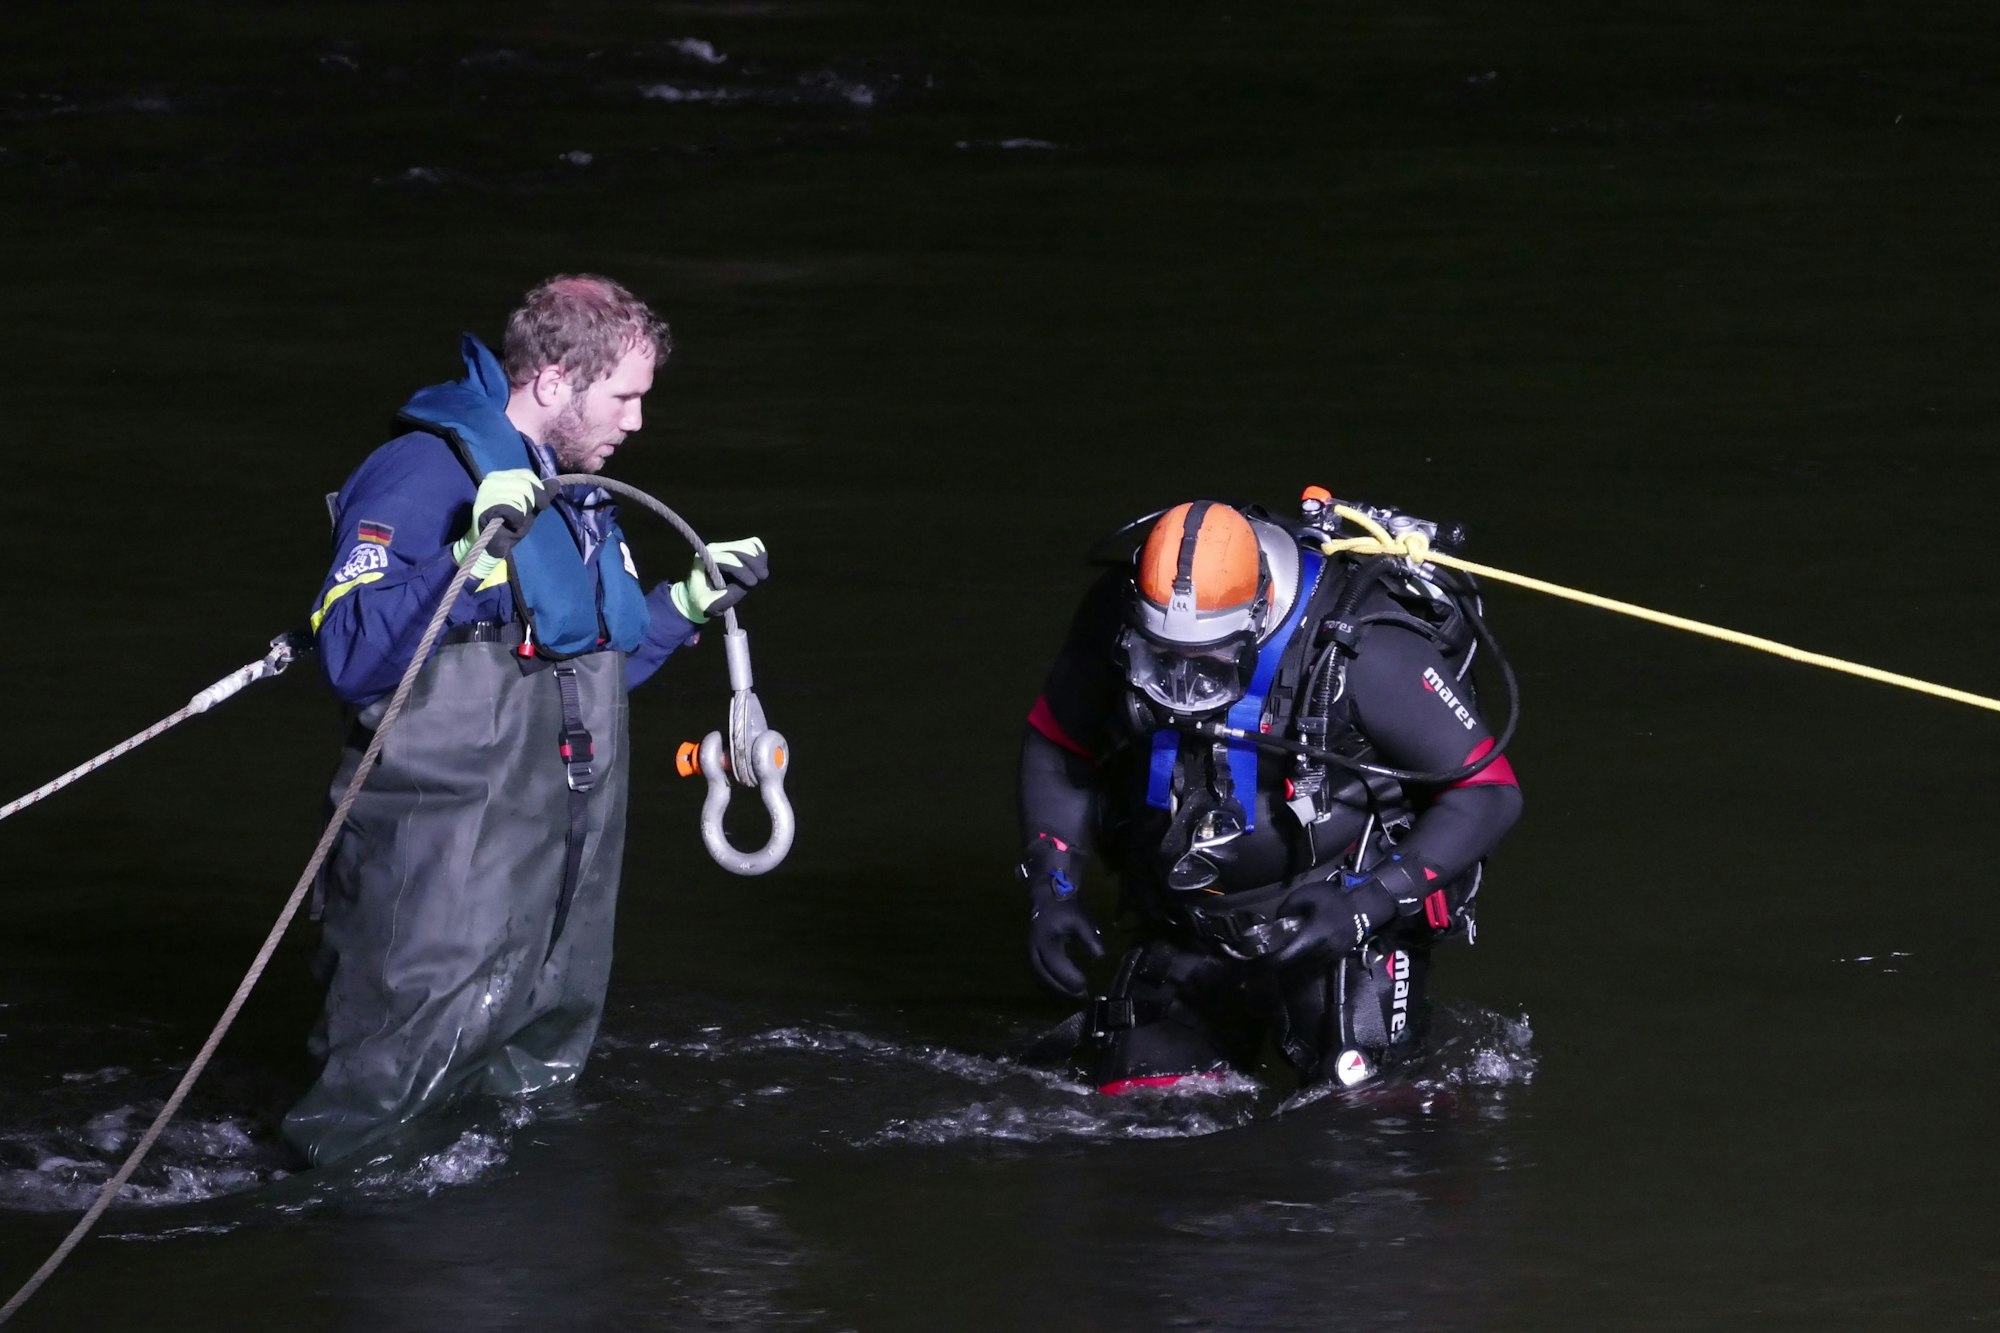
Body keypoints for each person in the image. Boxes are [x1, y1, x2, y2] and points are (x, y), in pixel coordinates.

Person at [282, 275, 769, 1166]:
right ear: (553, 382)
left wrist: (686, 608)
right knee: (382, 1115)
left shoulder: (578, 496)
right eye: (623, 396)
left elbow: (583, 679)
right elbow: (349, 649)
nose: (635, 421)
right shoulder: (422, 472)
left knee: (525, 1102)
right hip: (441, 858)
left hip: (555, 863)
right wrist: (467, 564)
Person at [1016, 492, 1522, 1092]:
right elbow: (1056, 743)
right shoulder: (1113, 618)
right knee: (1139, 1135)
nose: (1181, 685)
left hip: (1336, 926)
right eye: (1161, 660)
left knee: (1372, 1142)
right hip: (1188, 923)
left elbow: (1489, 790)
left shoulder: (1370, 653)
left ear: (1257, 617)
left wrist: (1367, 905)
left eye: (1206, 661)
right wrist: (1054, 888)